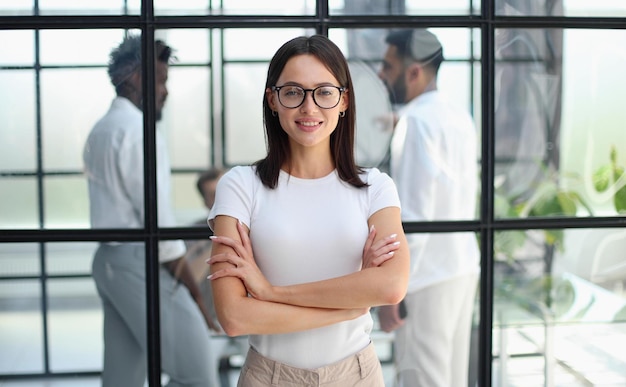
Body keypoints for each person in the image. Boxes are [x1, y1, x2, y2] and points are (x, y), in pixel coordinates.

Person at [206, 34, 410, 387]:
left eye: (324, 92)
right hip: (269, 376)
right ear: (273, 99)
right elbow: (235, 316)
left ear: (344, 100)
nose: (309, 108)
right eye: (293, 92)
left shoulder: (375, 188)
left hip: (356, 375)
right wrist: (349, 304)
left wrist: (271, 294)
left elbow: (391, 286)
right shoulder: (241, 186)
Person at [83, 34, 216, 386]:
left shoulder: (102, 129)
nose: (165, 91)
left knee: (122, 378)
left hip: (110, 263)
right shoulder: (137, 131)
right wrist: (195, 296)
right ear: (136, 78)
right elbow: (156, 224)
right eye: (160, 80)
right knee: (198, 375)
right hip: (137, 264)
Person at [376, 29, 480, 387]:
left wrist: (396, 290)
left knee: (421, 378)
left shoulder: (416, 123)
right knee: (451, 376)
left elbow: (414, 218)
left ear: (414, 72)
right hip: (461, 266)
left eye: (388, 66)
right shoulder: (459, 117)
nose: (380, 74)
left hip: (426, 277)